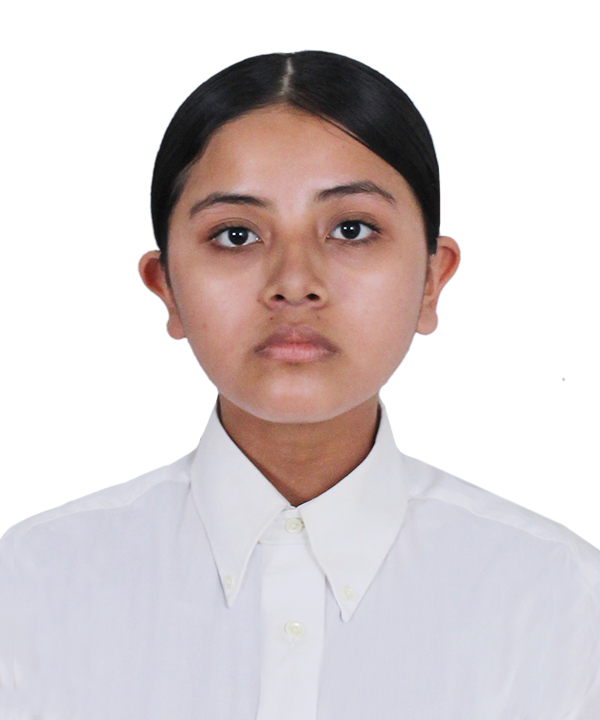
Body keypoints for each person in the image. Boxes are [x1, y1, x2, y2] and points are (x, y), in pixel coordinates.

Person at [1, 51, 598, 720]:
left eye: (351, 229)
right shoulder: (29, 587)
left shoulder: (562, 600)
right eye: (236, 235)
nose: (293, 282)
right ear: (166, 286)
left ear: (432, 280)